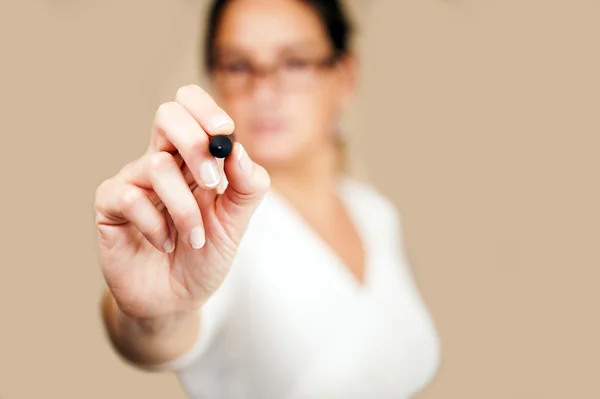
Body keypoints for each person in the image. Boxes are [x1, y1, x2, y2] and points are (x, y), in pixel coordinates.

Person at [93, 0, 441, 398]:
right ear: (216, 79)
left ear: (344, 76)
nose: (262, 90)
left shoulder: (375, 214)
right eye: (238, 65)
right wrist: (155, 316)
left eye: (294, 62)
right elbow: (159, 334)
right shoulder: (209, 227)